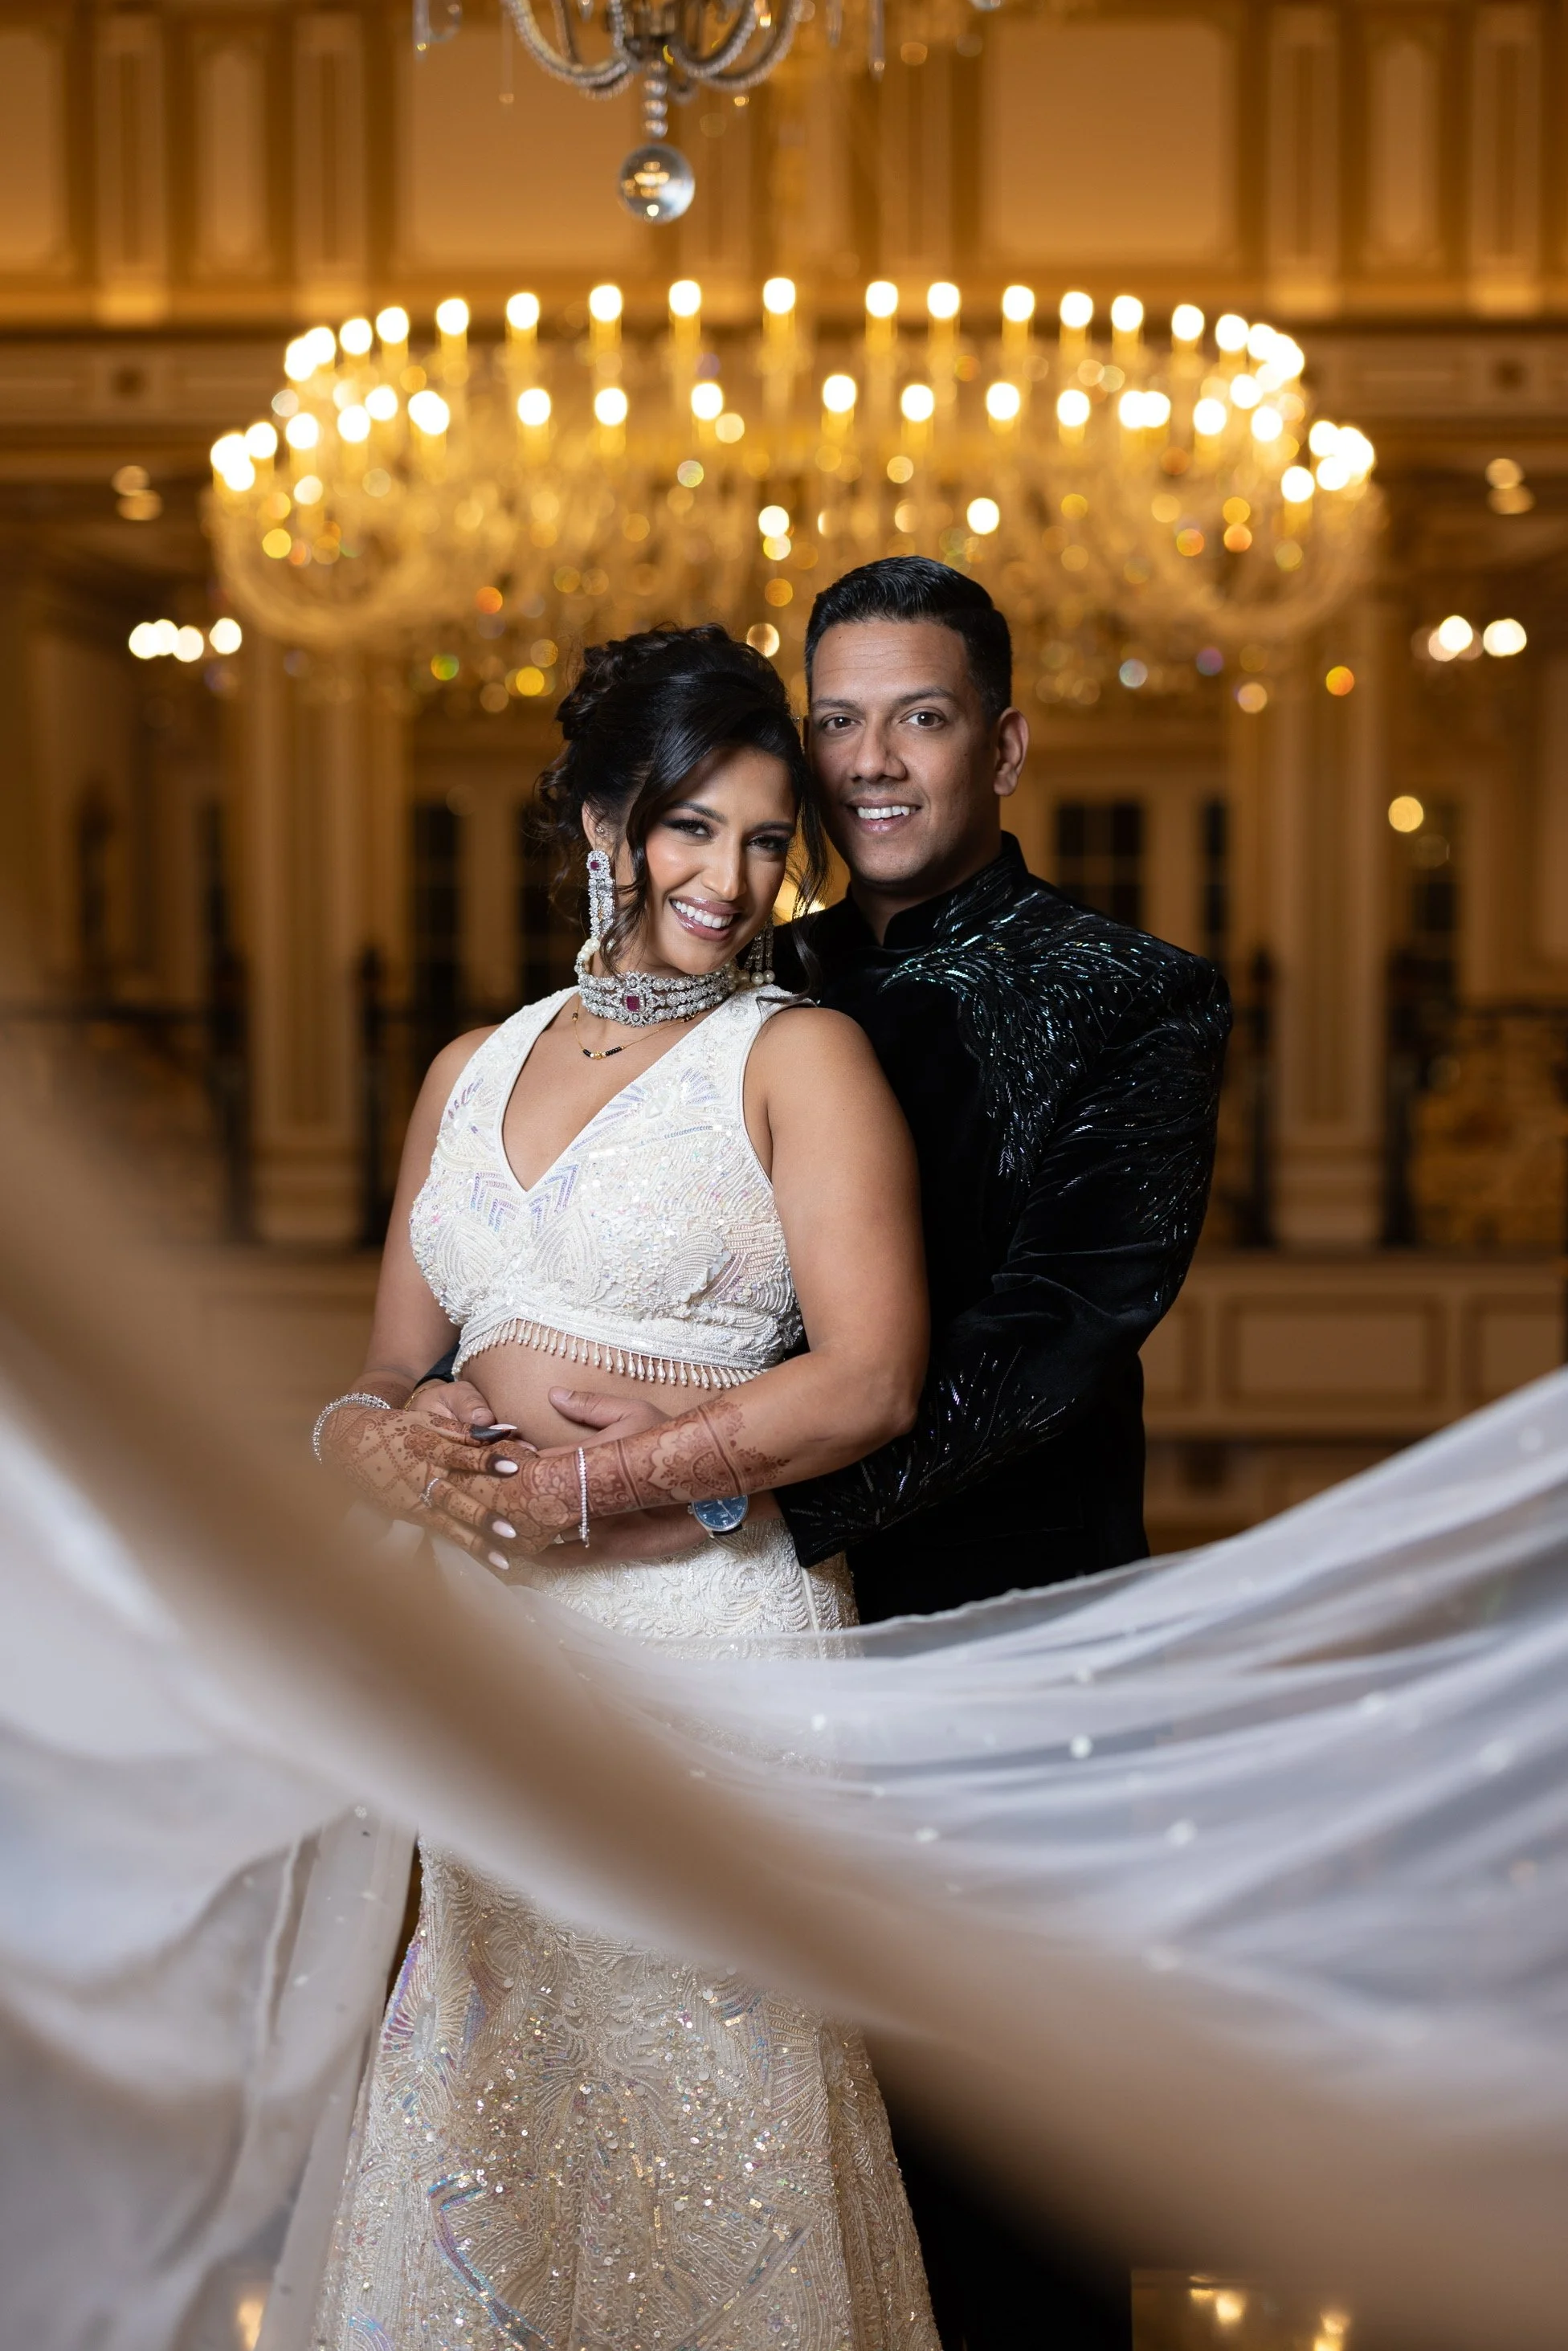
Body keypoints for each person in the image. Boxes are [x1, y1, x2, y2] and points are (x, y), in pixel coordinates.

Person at [401, 558, 1232, 2350]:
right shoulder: (755, 972)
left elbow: (1047, 1343)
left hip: (1010, 1648)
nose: (868, 764)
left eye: (917, 717)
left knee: (1016, 2163)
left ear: (999, 740)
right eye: (834, 721)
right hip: (718, 1619)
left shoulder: (1129, 993)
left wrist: (712, 1482)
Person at [311, 624, 939, 2351]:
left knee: (707, 2131)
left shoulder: (795, 1057)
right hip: (486, 1652)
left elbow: (873, 1377)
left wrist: (612, 1489)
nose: (729, 878)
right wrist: (367, 1438)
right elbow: (383, 1368)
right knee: (493, 2115)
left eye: (762, 837)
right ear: (601, 822)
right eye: (687, 828)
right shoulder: (466, 1066)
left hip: (703, 1643)